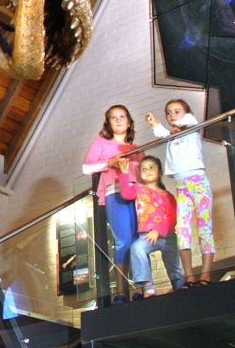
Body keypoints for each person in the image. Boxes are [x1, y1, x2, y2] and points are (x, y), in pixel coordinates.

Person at [145, 99, 215, 286]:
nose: (172, 115)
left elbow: (189, 121)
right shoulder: (172, 135)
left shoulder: (191, 127)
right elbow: (163, 134)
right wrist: (155, 123)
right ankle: (189, 276)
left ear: (186, 112)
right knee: (183, 229)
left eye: (176, 111)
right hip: (182, 186)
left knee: (205, 228)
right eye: (168, 113)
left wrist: (177, 124)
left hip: (199, 183)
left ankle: (206, 274)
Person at [83, 104, 140, 303]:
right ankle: (121, 291)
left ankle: (140, 287)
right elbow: (86, 168)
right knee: (123, 240)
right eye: (113, 117)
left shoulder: (136, 148)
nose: (118, 120)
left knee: (137, 240)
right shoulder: (101, 143)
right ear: (108, 122)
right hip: (114, 192)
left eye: (122, 116)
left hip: (137, 195)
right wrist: (110, 163)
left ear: (129, 121)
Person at [118, 155, 186, 299]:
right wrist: (124, 173)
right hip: (146, 235)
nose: (147, 171)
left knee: (173, 263)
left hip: (167, 235)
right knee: (137, 248)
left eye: (151, 168)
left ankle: (179, 284)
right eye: (143, 169)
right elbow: (126, 194)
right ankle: (149, 287)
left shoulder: (168, 196)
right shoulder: (139, 189)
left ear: (159, 172)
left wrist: (158, 231)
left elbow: (172, 218)